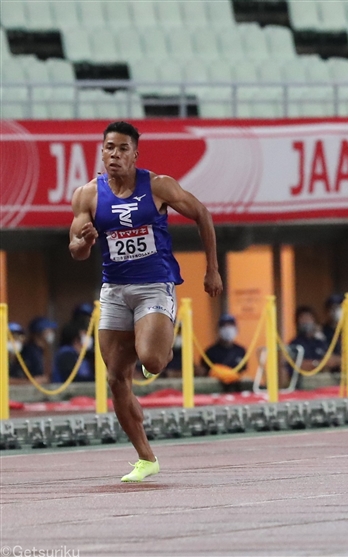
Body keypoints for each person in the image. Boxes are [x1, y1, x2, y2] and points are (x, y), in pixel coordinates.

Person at [68, 121, 222, 482]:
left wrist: (212, 269)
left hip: (155, 284)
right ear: (101, 152)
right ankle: (145, 457)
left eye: (123, 149)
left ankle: (157, 343)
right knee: (116, 378)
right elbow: (74, 249)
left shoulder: (157, 186)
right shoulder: (87, 195)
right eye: (109, 148)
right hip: (114, 290)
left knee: (151, 358)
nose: (115, 155)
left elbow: (202, 214)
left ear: (135, 154)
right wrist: (85, 243)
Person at [284, 306, 337, 388]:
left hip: (323, 380)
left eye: (308, 318)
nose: (306, 322)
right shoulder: (294, 343)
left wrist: (320, 336)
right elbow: (299, 365)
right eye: (303, 319)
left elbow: (331, 360)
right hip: (302, 382)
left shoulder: (320, 341)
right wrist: (318, 363)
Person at [201, 313, 247, 392]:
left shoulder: (241, 350)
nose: (227, 329)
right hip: (216, 390)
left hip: (236, 389)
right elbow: (203, 371)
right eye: (224, 326)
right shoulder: (210, 351)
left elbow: (243, 371)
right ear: (218, 329)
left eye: (230, 325)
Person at [20, 316, 58, 384]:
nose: (51, 333)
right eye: (48, 330)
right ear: (39, 332)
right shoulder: (29, 351)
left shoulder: (42, 350)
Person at [321, 293, 344, 373]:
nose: (336, 311)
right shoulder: (322, 331)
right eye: (333, 308)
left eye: (340, 308)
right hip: (331, 374)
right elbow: (326, 358)